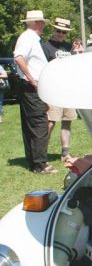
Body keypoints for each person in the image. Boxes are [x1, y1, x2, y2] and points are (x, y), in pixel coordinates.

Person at [14, 10, 57, 174]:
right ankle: (40, 164)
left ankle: (34, 161)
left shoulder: (29, 38)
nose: (44, 25)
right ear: (38, 23)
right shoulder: (28, 37)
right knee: (39, 124)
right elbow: (18, 57)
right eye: (42, 22)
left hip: (29, 86)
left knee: (32, 124)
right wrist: (32, 80)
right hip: (31, 86)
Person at [42, 17, 78, 162]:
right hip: (52, 90)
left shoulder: (69, 47)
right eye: (58, 31)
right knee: (50, 121)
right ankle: (41, 152)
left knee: (67, 121)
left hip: (67, 90)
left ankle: (65, 153)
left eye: (64, 32)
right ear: (53, 30)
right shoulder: (45, 46)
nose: (61, 34)